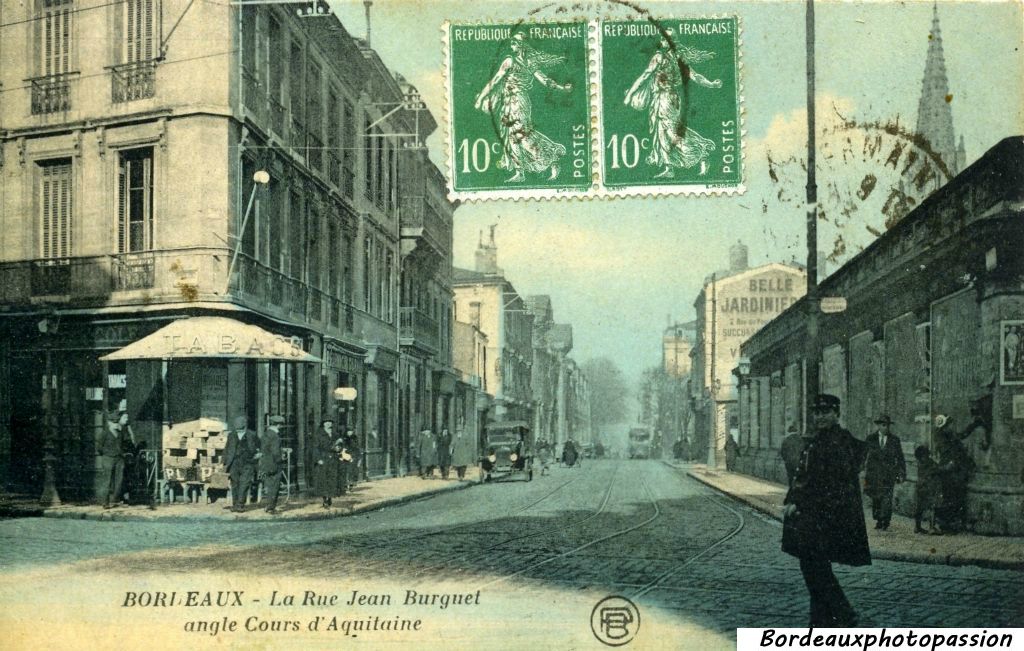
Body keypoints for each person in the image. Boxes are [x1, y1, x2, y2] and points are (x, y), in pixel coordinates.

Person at [782, 394, 869, 628]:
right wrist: (792, 499)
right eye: (817, 412)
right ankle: (821, 620)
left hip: (827, 516)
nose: (820, 417)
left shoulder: (838, 441)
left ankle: (843, 612)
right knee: (814, 565)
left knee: (814, 567)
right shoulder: (818, 439)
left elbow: (832, 484)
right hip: (813, 515)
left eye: (826, 412)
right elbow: (804, 475)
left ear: (837, 414)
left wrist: (801, 504)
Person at [473, 32, 573, 183]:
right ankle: (520, 172)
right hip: (510, 101)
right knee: (513, 136)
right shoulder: (519, 61)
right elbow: (496, 80)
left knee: (521, 136)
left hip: (518, 101)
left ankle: (551, 158)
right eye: (512, 43)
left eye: (515, 43)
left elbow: (543, 80)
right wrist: (561, 87)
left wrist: (561, 88)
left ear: (522, 46)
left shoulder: (518, 62)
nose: (512, 45)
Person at [624, 28, 721, 178]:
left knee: (670, 132)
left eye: (663, 39)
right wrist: (711, 84)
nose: (661, 41)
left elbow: (645, 76)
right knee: (663, 131)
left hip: (664, 100)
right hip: (672, 98)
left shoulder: (659, 57)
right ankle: (669, 168)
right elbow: (695, 76)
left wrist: (630, 94)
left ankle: (701, 153)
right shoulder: (678, 57)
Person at [862, 414, 907, 531]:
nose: (885, 428)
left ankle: (885, 521)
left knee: (887, 498)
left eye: (887, 425)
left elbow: (900, 457)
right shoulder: (870, 439)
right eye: (883, 425)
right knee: (876, 497)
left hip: (889, 474)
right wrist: (861, 468)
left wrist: (903, 472)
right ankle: (878, 520)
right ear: (878, 426)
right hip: (874, 474)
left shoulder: (894, 440)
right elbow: (863, 455)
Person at [934, 414, 974, 534]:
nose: (952, 426)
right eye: (950, 424)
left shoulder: (950, 436)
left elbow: (962, 436)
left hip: (954, 471)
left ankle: (951, 524)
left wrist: (972, 425)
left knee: (954, 497)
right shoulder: (941, 438)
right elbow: (948, 454)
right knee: (948, 497)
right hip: (948, 471)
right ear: (944, 426)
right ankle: (946, 525)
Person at [98, 410, 135, 508]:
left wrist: (122, 454)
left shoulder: (121, 432)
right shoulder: (104, 433)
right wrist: (107, 453)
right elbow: (99, 447)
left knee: (119, 480)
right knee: (107, 480)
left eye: (116, 422)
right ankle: (105, 502)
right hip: (108, 459)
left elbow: (125, 443)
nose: (115, 425)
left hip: (119, 459)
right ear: (109, 423)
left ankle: (114, 499)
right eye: (113, 423)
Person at [224, 415, 260, 513]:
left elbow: (259, 447)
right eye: (237, 428)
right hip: (234, 463)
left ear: (244, 426)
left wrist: (258, 455)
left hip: (248, 463)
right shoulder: (231, 435)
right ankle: (235, 504)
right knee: (234, 484)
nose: (238, 430)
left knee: (244, 484)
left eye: (240, 428)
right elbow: (227, 449)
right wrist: (224, 462)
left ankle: (240, 505)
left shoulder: (252, 435)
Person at [310, 419, 339, 508]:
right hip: (323, 459)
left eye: (330, 422)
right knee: (323, 479)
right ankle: (325, 499)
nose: (328, 424)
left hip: (333, 459)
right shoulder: (318, 434)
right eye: (326, 422)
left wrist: (338, 449)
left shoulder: (335, 434)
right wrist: (318, 459)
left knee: (332, 478)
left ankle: (330, 497)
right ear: (323, 424)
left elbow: (340, 445)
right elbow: (315, 448)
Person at [913, 444, 941, 534]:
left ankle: (917, 527)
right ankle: (932, 528)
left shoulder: (919, 463)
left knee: (919, 507)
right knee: (932, 506)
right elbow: (938, 469)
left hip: (919, 486)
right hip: (929, 487)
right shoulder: (929, 463)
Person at [260, 415, 285, 514]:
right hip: (274, 464)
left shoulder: (266, 434)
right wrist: (281, 458)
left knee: (269, 486)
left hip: (266, 464)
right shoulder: (275, 436)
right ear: (278, 425)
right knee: (275, 486)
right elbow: (275, 452)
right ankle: (271, 508)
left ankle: (268, 506)